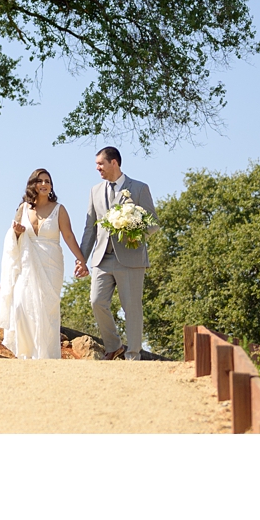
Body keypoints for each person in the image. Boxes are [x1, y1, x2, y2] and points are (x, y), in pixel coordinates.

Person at [0, 167, 90, 359]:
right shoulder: (23, 208)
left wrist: (81, 260)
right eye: (41, 181)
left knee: (46, 310)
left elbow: (69, 236)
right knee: (21, 304)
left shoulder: (59, 210)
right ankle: (26, 353)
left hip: (51, 263)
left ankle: (45, 355)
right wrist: (18, 232)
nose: (45, 184)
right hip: (26, 261)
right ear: (33, 185)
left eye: (48, 181)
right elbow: (14, 234)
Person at [76, 145, 156, 360]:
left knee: (132, 309)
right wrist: (82, 259)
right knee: (96, 302)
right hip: (101, 258)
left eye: (100, 164)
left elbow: (153, 223)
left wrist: (133, 229)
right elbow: (89, 228)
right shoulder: (94, 191)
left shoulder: (139, 188)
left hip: (131, 259)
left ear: (114, 162)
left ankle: (133, 355)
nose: (97, 168)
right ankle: (114, 346)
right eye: (96, 165)